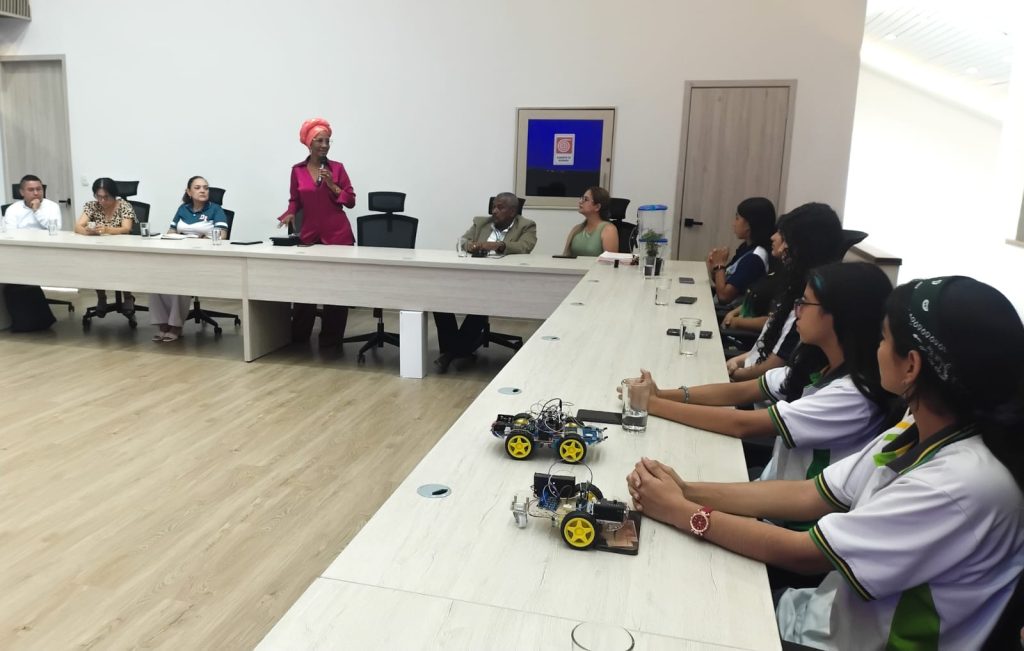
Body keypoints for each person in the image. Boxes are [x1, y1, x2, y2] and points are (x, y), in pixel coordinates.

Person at [627, 275, 1024, 649]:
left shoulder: (961, 483)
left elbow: (805, 553)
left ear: (912, 365)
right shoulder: (915, 428)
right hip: (813, 613)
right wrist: (684, 490)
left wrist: (684, 512)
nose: (876, 347)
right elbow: (809, 494)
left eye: (884, 340)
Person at [629, 262, 894, 484]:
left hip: (785, 520)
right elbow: (741, 390)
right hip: (768, 485)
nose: (795, 311)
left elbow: (742, 425)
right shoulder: (818, 363)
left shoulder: (851, 396)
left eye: (805, 303)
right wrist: (662, 394)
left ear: (839, 315)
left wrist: (652, 404)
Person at [726, 203, 843, 383]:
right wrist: (738, 362)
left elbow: (772, 365)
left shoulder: (806, 302)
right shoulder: (792, 285)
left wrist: (735, 374)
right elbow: (765, 346)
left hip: (757, 390)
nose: (775, 240)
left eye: (785, 238)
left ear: (804, 247)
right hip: (750, 375)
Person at [433, 192, 537, 373]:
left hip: (503, 281)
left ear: (513, 212)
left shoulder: (526, 226)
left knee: (483, 303)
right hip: (471, 276)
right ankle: (458, 351)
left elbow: (525, 247)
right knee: (439, 301)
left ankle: (450, 354)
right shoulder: (481, 222)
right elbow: (463, 241)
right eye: (494, 207)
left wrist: (500, 245)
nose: (494, 211)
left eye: (500, 207)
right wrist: (472, 246)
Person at [277, 117, 356, 346]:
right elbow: (295, 200)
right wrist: (289, 213)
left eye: (327, 141)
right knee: (305, 288)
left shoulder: (337, 169)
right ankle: (299, 337)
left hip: (338, 235)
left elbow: (350, 201)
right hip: (310, 236)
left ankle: (331, 340)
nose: (324, 145)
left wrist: (333, 185)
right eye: (319, 141)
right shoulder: (298, 170)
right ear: (309, 143)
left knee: (336, 291)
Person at [149, 176, 229, 342]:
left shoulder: (215, 209)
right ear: (189, 191)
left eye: (206, 188)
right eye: (198, 187)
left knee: (179, 280)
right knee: (155, 279)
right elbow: (171, 232)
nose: (203, 191)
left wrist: (196, 240)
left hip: (204, 259)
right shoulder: (183, 209)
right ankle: (163, 324)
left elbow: (221, 235)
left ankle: (176, 325)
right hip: (180, 254)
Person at [0, 175, 58, 331]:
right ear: (21, 192)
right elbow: (10, 234)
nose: (36, 193)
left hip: (48, 253)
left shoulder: (52, 207)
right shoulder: (13, 209)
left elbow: (54, 229)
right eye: (31, 190)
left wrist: (36, 210)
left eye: (39, 189)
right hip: (20, 253)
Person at [75, 178, 138, 315]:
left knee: (122, 266)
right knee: (95, 265)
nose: (102, 201)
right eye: (99, 197)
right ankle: (101, 297)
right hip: (100, 248)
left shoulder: (124, 205)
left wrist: (106, 230)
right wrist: (88, 232)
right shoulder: (92, 206)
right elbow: (77, 226)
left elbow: (126, 228)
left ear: (113, 194)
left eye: (106, 197)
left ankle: (128, 297)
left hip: (121, 249)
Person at [706, 197, 776, 306]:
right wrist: (714, 266)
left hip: (729, 314)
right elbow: (724, 282)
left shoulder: (755, 258)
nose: (734, 224)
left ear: (749, 224)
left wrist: (719, 265)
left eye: (737, 218)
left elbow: (724, 297)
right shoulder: (746, 247)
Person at [562, 186, 618, 256]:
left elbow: (610, 263)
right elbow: (565, 257)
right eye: (582, 198)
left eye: (585, 199)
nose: (580, 202)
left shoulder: (609, 230)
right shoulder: (576, 229)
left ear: (597, 207)